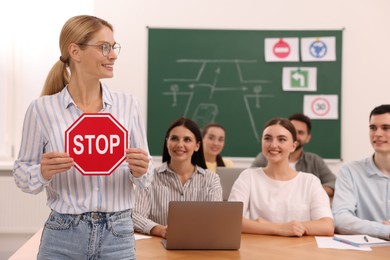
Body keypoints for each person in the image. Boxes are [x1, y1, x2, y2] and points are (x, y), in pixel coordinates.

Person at [13, 15, 153, 259]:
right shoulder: (41, 110)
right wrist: (42, 172)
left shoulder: (128, 105)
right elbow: (22, 174)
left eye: (113, 46)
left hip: (117, 235)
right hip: (63, 234)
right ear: (75, 52)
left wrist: (142, 170)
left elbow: (147, 177)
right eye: (104, 47)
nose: (113, 55)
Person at [229, 117, 334, 237]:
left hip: (300, 251)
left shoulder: (310, 182)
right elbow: (232, 221)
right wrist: (279, 228)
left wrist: (264, 226)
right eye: (267, 138)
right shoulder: (248, 177)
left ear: (293, 146)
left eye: (282, 139)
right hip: (259, 250)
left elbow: (326, 226)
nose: (273, 145)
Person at [133, 117, 223, 238]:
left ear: (197, 146)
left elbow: (217, 218)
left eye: (187, 140)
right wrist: (160, 230)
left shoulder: (211, 179)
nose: (180, 145)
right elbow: (135, 216)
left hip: (199, 245)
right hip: (158, 247)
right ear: (167, 142)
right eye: (174, 138)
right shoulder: (149, 177)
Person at [332, 104, 390, 240]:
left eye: (386, 128)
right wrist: (385, 231)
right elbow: (340, 219)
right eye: (373, 128)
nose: (377, 134)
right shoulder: (350, 172)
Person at [251, 113, 336, 197]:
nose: (295, 136)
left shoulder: (314, 161)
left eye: (300, 133)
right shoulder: (264, 157)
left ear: (308, 138)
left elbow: (333, 183)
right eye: (293, 131)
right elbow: (251, 181)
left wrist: (311, 193)